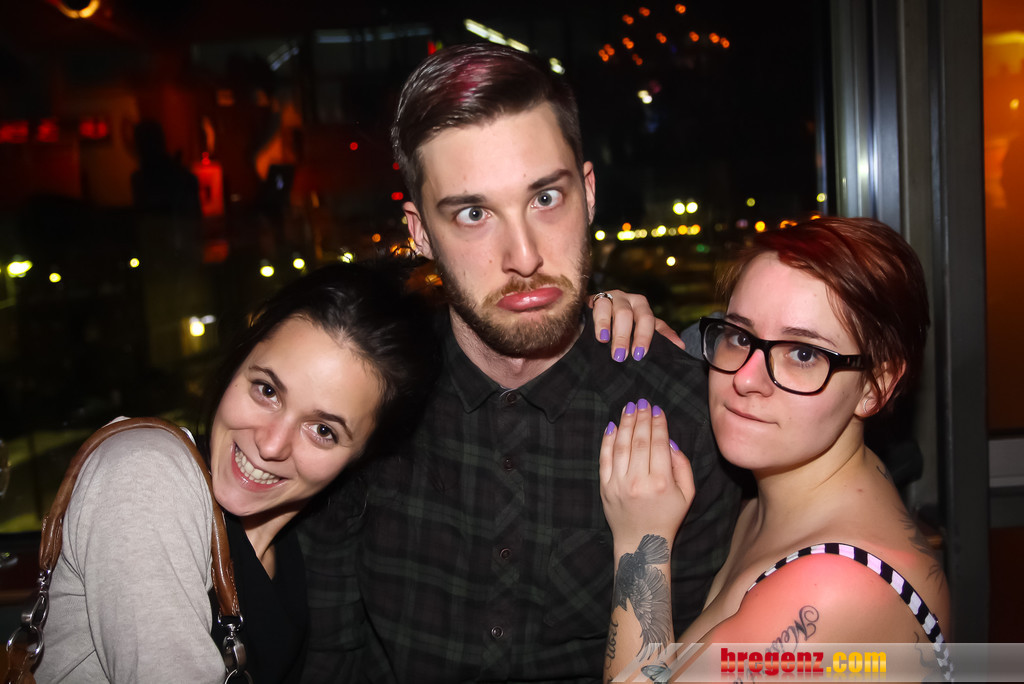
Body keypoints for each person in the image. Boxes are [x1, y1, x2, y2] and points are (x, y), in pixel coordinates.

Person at [299, 43, 741, 683]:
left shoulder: (684, 418)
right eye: (474, 214)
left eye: (546, 198)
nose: (525, 256)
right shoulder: (369, 404)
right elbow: (328, 656)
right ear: (419, 233)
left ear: (588, 192)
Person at [33, 262, 438, 683]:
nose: (271, 445)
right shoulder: (145, 474)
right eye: (267, 390)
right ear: (239, 360)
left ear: (364, 455)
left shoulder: (297, 551)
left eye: (323, 430)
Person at [601, 217, 951, 680]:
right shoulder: (789, 494)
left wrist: (641, 540)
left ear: (876, 386)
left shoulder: (835, 586)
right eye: (739, 336)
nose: (745, 378)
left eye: (803, 354)